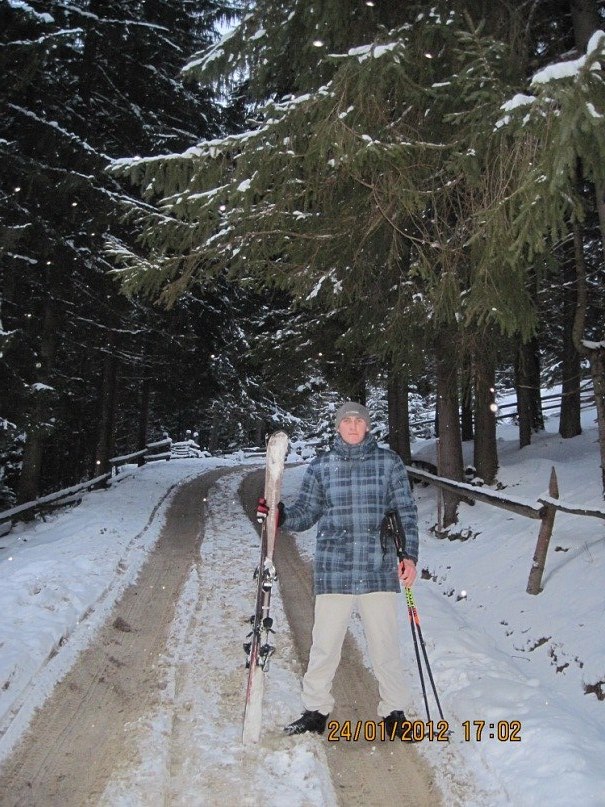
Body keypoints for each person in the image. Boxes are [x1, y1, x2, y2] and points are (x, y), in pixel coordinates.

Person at [257, 401, 418, 738]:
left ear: (368, 426)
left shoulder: (389, 463)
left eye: (359, 420)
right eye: (347, 421)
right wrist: (281, 515)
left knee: (384, 644)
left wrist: (409, 556)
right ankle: (316, 710)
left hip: (378, 564)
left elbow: (406, 512)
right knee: (325, 644)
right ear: (338, 426)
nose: (353, 426)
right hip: (335, 567)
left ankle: (394, 711)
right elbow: (307, 512)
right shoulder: (322, 466)